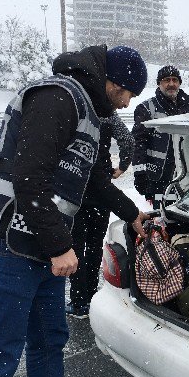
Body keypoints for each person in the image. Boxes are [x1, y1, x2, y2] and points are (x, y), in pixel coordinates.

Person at [0, 45, 149, 377]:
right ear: (111, 81)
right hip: (2, 242)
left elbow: (94, 181)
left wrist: (132, 214)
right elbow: (29, 178)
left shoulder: (87, 113)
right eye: (125, 93)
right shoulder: (58, 96)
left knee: (48, 342)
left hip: (36, 245)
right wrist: (60, 246)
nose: (124, 104)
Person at [67, 111, 134, 318]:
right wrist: (122, 166)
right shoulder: (108, 115)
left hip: (76, 187)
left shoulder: (76, 109)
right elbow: (127, 140)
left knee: (77, 245)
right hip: (102, 189)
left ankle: (79, 302)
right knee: (95, 245)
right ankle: (90, 295)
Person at [132, 65, 189, 209]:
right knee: (163, 213)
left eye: (175, 80)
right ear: (159, 83)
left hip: (187, 176)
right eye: (166, 80)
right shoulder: (146, 108)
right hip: (159, 178)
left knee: (188, 215)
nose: (171, 84)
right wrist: (140, 174)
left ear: (179, 83)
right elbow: (138, 143)